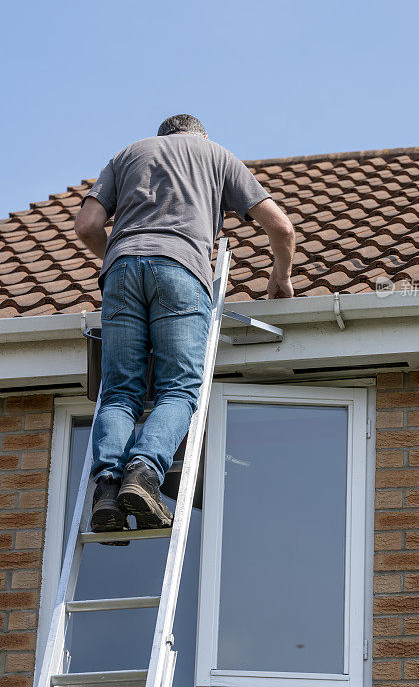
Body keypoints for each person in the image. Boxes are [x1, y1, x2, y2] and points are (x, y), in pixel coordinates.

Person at [74, 114, 295, 540]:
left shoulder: (126, 155)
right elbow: (281, 227)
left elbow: (86, 226)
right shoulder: (217, 156)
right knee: (178, 389)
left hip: (120, 273)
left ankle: (106, 488)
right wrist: (280, 276)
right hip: (180, 271)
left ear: (163, 138)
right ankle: (144, 472)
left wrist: (115, 258)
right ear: (199, 137)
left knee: (119, 391)